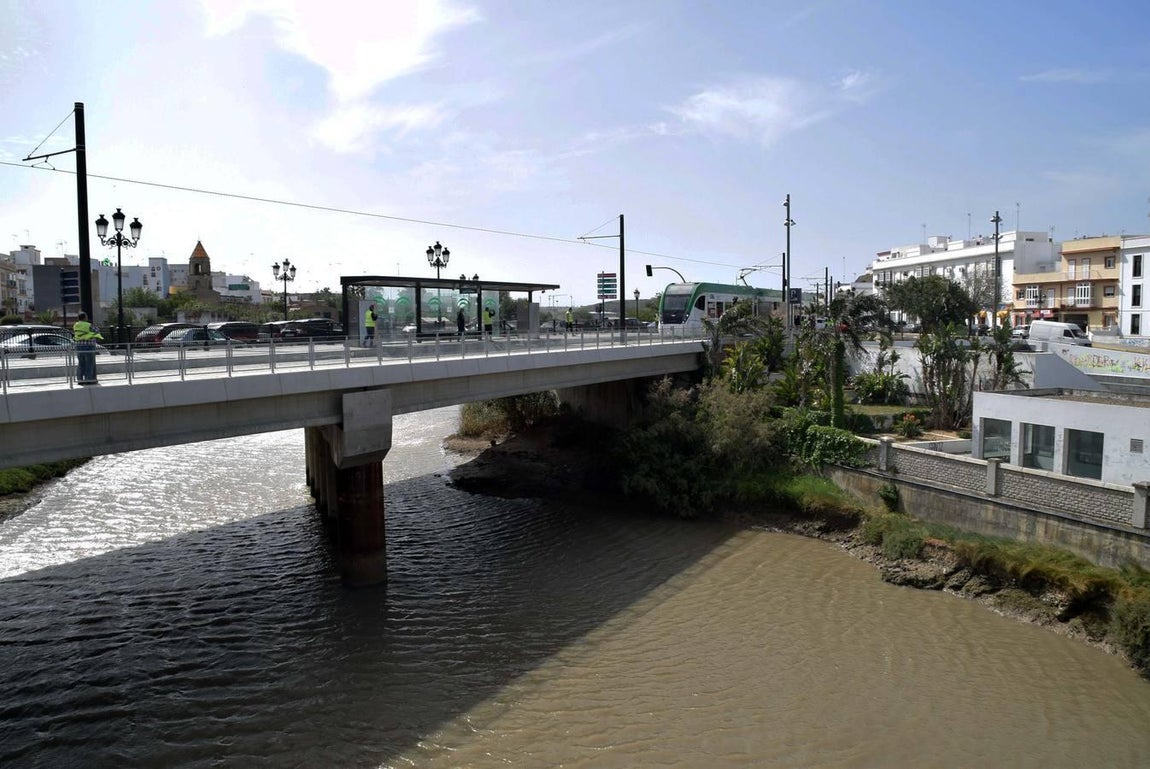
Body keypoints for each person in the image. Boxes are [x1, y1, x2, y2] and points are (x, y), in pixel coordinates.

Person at [73, 312, 103, 385]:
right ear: (84, 317)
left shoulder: (75, 325)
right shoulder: (88, 325)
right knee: (90, 363)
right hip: (89, 346)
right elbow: (97, 331)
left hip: (79, 346)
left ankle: (80, 380)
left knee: (81, 363)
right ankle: (89, 380)